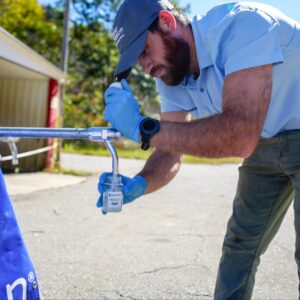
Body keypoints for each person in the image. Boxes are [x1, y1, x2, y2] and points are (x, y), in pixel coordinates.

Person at [97, 0, 300, 298]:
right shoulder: (171, 75)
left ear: (166, 22)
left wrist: (144, 129)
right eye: (137, 62)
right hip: (264, 144)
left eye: (144, 51)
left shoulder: (244, 25)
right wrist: (140, 183)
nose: (146, 67)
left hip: (267, 133)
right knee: (239, 246)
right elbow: (169, 150)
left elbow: (241, 135)